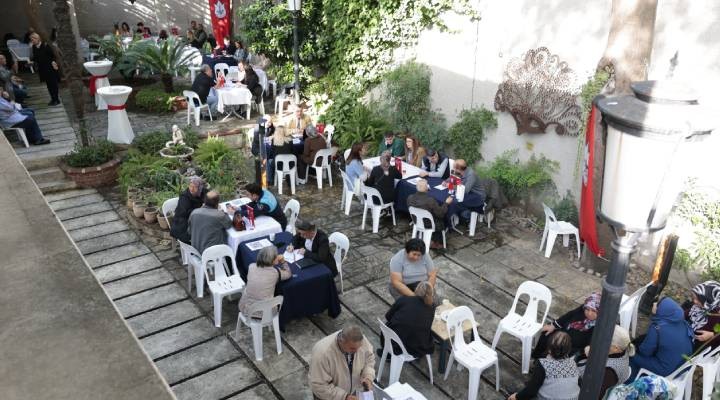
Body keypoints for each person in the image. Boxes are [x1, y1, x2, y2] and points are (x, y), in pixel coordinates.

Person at [629, 297, 693, 381]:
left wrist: (633, 353)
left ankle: (628, 381)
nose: (654, 304)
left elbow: (645, 352)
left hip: (665, 369)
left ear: (662, 310)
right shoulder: (683, 323)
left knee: (632, 356)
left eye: (658, 305)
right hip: (682, 366)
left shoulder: (657, 327)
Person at [309, 325, 376, 400]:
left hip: (351, 391)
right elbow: (319, 385)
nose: (357, 351)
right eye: (352, 348)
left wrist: (368, 376)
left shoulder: (360, 341)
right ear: (341, 341)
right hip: (328, 396)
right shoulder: (322, 354)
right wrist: (344, 396)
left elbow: (369, 359)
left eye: (359, 347)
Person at [508, 331, 580, 400]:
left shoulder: (543, 364)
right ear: (568, 350)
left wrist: (516, 397)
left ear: (549, 349)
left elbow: (531, 391)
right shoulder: (572, 363)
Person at [532, 292, 601, 359]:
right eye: (587, 309)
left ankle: (545, 362)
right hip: (563, 334)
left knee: (558, 351)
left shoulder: (600, 323)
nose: (589, 313)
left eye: (593, 311)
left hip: (573, 347)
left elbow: (594, 338)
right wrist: (553, 325)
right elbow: (569, 315)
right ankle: (537, 358)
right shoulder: (582, 309)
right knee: (546, 333)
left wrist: (589, 346)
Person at [577, 325, 635, 399]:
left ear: (616, 348)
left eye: (605, 341)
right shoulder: (623, 349)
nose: (600, 341)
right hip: (586, 371)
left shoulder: (609, 373)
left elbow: (591, 394)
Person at [383, 281, 435, 358]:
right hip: (416, 348)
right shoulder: (431, 308)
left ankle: (388, 354)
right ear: (431, 295)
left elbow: (388, 316)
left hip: (394, 342)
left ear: (416, 290)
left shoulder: (404, 299)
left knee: (389, 324)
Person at [238, 246, 291, 317]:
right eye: (276, 256)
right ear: (272, 260)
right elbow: (288, 274)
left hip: (245, 308)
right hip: (264, 313)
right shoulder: (275, 273)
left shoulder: (251, 266)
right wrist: (283, 261)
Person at [407, 178, 452, 249]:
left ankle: (424, 237)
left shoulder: (410, 198)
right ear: (427, 188)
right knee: (441, 219)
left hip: (416, 221)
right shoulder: (430, 200)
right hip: (429, 224)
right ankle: (436, 242)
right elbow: (441, 214)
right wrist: (446, 203)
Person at [170, 176, 207, 244]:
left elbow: (209, 197)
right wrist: (200, 209)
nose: (192, 189)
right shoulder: (184, 197)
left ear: (200, 188)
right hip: (183, 222)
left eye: (195, 187)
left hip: (197, 218)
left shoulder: (202, 192)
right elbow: (185, 213)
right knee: (202, 232)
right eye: (190, 186)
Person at [684, 280, 720, 349]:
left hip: (697, 347)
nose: (694, 301)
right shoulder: (698, 307)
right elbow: (684, 314)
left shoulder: (716, 316)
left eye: (698, 299)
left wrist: (712, 335)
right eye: (694, 298)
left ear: (709, 301)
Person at [30, 33, 61, 106]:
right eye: (31, 40)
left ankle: (56, 99)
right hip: (42, 69)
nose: (32, 41)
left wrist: (54, 62)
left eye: (33, 39)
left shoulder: (46, 45)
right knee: (48, 85)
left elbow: (53, 55)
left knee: (53, 84)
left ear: (38, 39)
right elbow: (36, 57)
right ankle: (53, 99)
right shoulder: (34, 47)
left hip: (50, 68)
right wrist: (32, 62)